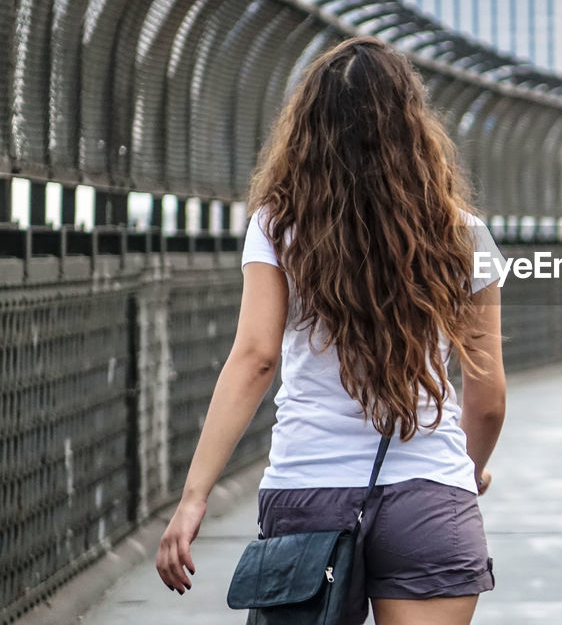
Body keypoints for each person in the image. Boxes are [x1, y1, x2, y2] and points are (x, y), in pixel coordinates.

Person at [155, 36, 508, 625]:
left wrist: (195, 496)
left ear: (307, 130)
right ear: (413, 127)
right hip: (429, 496)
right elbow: (488, 397)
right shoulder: (465, 235)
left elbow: (255, 359)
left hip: (309, 491)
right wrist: (464, 473)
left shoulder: (278, 225)